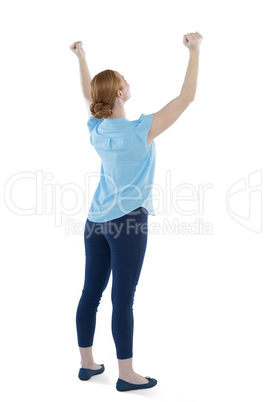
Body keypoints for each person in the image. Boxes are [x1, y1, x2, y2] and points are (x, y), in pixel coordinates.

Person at [69, 31, 203, 392]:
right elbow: (186, 97)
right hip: (127, 223)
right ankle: (126, 375)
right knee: (122, 299)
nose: (129, 82)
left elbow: (89, 96)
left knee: (90, 295)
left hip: (94, 222)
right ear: (119, 93)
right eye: (125, 81)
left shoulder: (96, 129)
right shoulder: (140, 130)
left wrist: (81, 59)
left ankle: (87, 365)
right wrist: (194, 51)